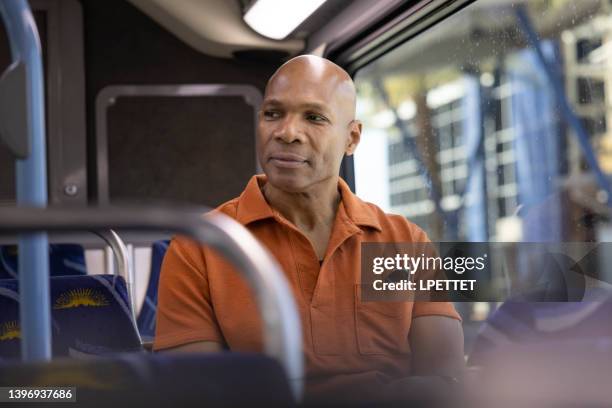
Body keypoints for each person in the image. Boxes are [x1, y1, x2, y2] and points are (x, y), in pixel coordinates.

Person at [153, 55, 464, 403]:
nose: (286, 133)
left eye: (314, 117)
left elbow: (442, 380)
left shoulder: (407, 242)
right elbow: (196, 392)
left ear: (352, 138)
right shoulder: (202, 245)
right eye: (273, 114)